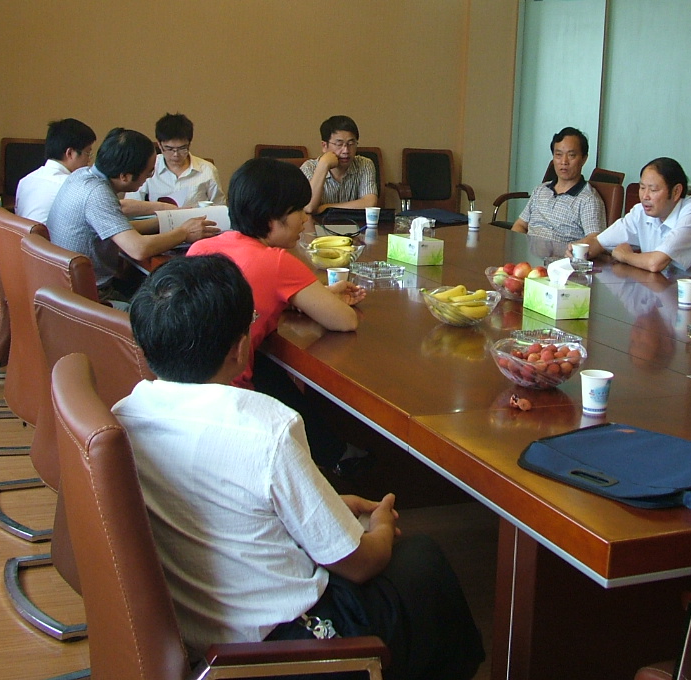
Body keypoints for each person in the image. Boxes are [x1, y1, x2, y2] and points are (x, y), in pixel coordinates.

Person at [118, 255, 484, 679]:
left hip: (193, 630)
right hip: (277, 648)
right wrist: (382, 527)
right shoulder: (265, 425)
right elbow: (359, 564)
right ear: (240, 347)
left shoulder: (126, 412)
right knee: (421, 561)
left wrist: (330, 505)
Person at [189, 157, 369, 474]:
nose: (304, 218)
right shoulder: (276, 262)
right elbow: (346, 321)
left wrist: (310, 297)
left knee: (270, 370)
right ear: (273, 217)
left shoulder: (202, 248)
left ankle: (331, 450)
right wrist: (320, 298)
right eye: (298, 210)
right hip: (233, 403)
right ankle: (335, 458)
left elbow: (251, 292)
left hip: (191, 396)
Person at [47, 127, 219, 305]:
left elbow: (119, 227)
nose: (150, 177)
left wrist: (165, 221)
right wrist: (184, 233)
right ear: (125, 176)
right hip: (91, 298)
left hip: (66, 288)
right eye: (149, 172)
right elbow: (138, 249)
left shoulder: (81, 175)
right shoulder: (97, 194)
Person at [575, 157, 691, 286]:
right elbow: (599, 241)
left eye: (653, 190)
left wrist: (625, 256)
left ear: (676, 191)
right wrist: (579, 251)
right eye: (642, 188)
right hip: (668, 293)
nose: (645, 196)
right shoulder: (641, 212)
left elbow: (656, 263)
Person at [511, 126, 606, 242]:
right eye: (558, 155)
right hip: (527, 251)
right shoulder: (541, 190)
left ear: (584, 159)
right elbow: (520, 225)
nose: (564, 162)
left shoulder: (588, 200)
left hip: (561, 253)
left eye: (571, 155)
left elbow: (595, 240)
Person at [127, 112, 224, 208]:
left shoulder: (207, 170)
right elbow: (130, 205)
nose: (176, 155)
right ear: (159, 145)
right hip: (158, 218)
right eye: (169, 149)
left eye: (182, 148)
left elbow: (220, 207)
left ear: (189, 144)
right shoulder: (147, 167)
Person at [14, 118, 95, 224]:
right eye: (87, 153)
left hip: (24, 235)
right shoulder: (73, 187)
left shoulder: (26, 181)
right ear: (70, 153)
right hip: (48, 235)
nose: (89, 160)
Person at [301, 115, 378, 213]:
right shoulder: (308, 168)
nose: (346, 151)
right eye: (339, 144)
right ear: (324, 146)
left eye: (351, 144)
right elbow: (309, 207)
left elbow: (370, 203)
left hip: (354, 223)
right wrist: (323, 166)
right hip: (319, 223)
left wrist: (327, 208)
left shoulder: (365, 164)